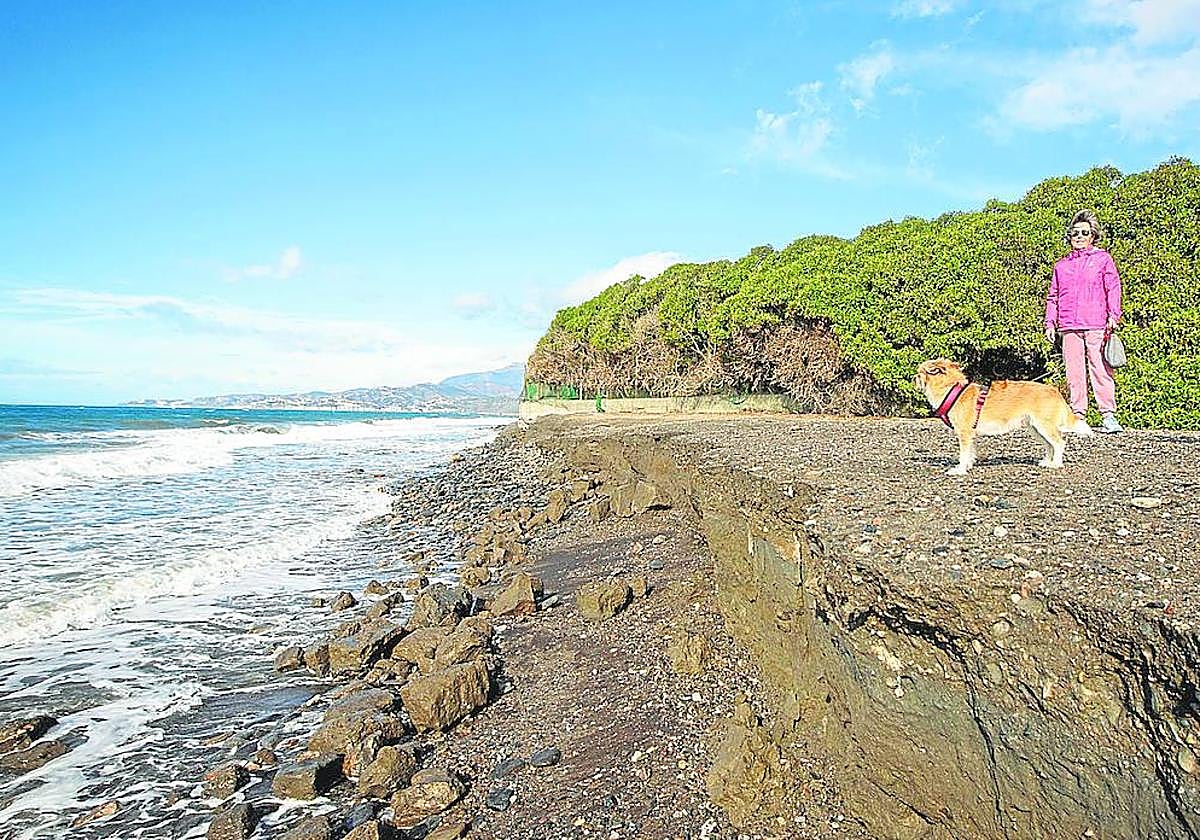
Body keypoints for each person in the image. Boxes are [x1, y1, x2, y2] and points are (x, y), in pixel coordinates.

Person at [1044, 210, 1124, 433]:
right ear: (1069, 236)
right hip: (1069, 325)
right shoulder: (1061, 266)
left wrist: (1113, 316)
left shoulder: (1103, 259)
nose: (1079, 236)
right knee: (1074, 372)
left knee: (1101, 369)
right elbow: (1053, 296)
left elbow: (1113, 288)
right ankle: (1078, 415)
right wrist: (1050, 323)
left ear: (1093, 236)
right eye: (1075, 232)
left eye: (1084, 232)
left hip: (1097, 323)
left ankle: (1108, 415)